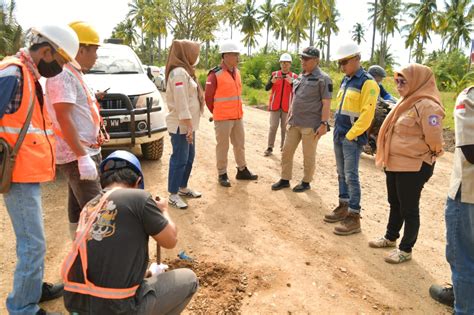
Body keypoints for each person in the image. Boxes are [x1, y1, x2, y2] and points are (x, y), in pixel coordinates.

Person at [0, 24, 80, 315]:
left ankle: (30, 289)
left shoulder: (28, 75)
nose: (58, 70)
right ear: (46, 52)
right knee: (32, 244)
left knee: (34, 240)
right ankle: (22, 306)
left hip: (26, 173)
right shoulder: (12, 73)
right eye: (59, 63)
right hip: (17, 176)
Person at [62, 150, 199, 315]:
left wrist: (148, 273)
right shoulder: (139, 198)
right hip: (118, 309)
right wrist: (163, 211)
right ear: (138, 182)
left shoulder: (89, 207)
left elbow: (109, 260)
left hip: (77, 305)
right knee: (189, 279)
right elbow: (171, 240)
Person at [370, 64, 444, 264]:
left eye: (404, 81)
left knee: (409, 209)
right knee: (395, 203)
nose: (399, 85)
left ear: (418, 82)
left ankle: (406, 249)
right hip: (394, 163)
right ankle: (390, 237)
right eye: (397, 81)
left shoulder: (429, 106)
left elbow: (435, 139)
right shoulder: (406, 102)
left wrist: (430, 155)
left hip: (414, 166)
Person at [45, 21, 107, 240]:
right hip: (76, 153)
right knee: (99, 214)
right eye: (95, 50)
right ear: (80, 50)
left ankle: (78, 253)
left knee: (78, 208)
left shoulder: (74, 73)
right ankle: (99, 264)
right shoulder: (63, 75)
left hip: (80, 152)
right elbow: (63, 117)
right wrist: (82, 156)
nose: (97, 56)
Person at [323, 42, 379, 235]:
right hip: (339, 134)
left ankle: (354, 217)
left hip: (351, 138)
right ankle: (343, 205)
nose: (342, 66)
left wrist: (350, 135)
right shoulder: (346, 80)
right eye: (340, 63)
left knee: (351, 176)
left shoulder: (368, 83)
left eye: (345, 62)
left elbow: (367, 115)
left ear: (356, 59)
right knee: (341, 174)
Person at [429, 83, 474, 313]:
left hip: (468, 193)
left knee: (463, 256)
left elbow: (471, 150)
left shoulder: (469, 97)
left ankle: (464, 308)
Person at [271, 47, 332, 192]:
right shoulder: (301, 76)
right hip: (294, 122)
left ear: (316, 60)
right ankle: (285, 179)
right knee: (286, 151)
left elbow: (326, 103)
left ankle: (306, 182)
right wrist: (290, 115)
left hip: (310, 125)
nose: (302, 61)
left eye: (306, 59)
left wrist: (324, 123)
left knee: (308, 155)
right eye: (302, 58)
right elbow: (296, 98)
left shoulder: (323, 78)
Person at [205, 40, 258, 187]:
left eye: (237, 55)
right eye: (235, 55)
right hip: (222, 118)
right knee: (223, 146)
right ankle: (222, 173)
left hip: (237, 116)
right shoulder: (215, 74)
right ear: (226, 56)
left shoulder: (237, 72)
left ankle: (242, 170)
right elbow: (208, 98)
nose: (237, 58)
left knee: (239, 144)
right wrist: (216, 112)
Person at [165, 40, 204, 209]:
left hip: (189, 125)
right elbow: (181, 103)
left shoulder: (185, 72)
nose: (197, 56)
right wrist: (188, 126)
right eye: (195, 52)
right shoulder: (179, 73)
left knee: (189, 157)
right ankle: (173, 194)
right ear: (186, 53)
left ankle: (182, 188)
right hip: (181, 125)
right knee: (180, 158)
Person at [263, 53, 299, 156]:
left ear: (290, 64)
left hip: (287, 107)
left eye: (287, 63)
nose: (284, 65)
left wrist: (292, 83)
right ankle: (270, 147)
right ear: (280, 64)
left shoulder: (294, 77)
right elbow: (266, 88)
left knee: (284, 128)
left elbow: (299, 91)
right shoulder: (275, 74)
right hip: (275, 106)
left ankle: (284, 148)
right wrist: (271, 82)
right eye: (283, 63)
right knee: (273, 126)